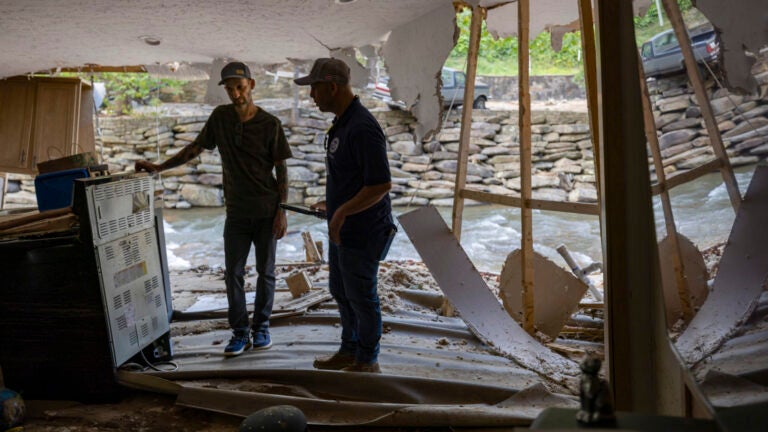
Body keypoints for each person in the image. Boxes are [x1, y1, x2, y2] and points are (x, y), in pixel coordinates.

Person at [135, 61, 292, 357]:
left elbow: (282, 169)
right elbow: (194, 148)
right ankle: (239, 332)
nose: (235, 94)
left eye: (240, 87)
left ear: (252, 85)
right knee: (232, 272)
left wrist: (282, 211)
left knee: (265, 271)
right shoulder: (220, 119)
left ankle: (261, 328)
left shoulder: (270, 124)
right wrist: (159, 167)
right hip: (236, 212)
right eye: (230, 89)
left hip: (267, 210)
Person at [294, 58, 396, 373]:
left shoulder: (362, 127)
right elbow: (353, 179)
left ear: (332, 86)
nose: (311, 95)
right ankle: (348, 350)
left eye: (314, 87)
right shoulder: (343, 122)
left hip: (363, 230)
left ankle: (368, 360)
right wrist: (332, 206)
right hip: (344, 228)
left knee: (362, 297)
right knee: (341, 291)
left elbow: (380, 184)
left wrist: (342, 214)